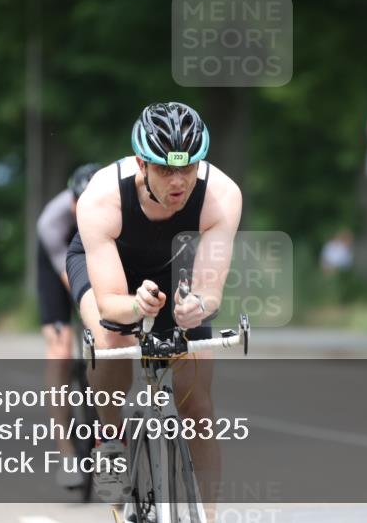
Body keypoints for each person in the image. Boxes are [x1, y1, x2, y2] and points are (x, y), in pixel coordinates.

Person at [66, 102, 242, 511]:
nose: (179, 181)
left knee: (196, 403)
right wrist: (136, 306)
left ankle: (207, 517)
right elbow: (111, 302)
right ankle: (110, 439)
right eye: (165, 169)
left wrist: (196, 307)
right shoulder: (100, 199)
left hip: (175, 268)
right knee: (111, 339)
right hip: (112, 269)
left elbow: (209, 291)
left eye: (188, 168)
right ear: (141, 164)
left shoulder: (222, 195)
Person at [35, 162, 101, 488]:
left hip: (100, 251)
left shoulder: (114, 210)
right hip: (58, 267)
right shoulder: (52, 220)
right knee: (59, 349)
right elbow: (71, 279)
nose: (82, 208)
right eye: (78, 201)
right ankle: (66, 454)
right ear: (71, 199)